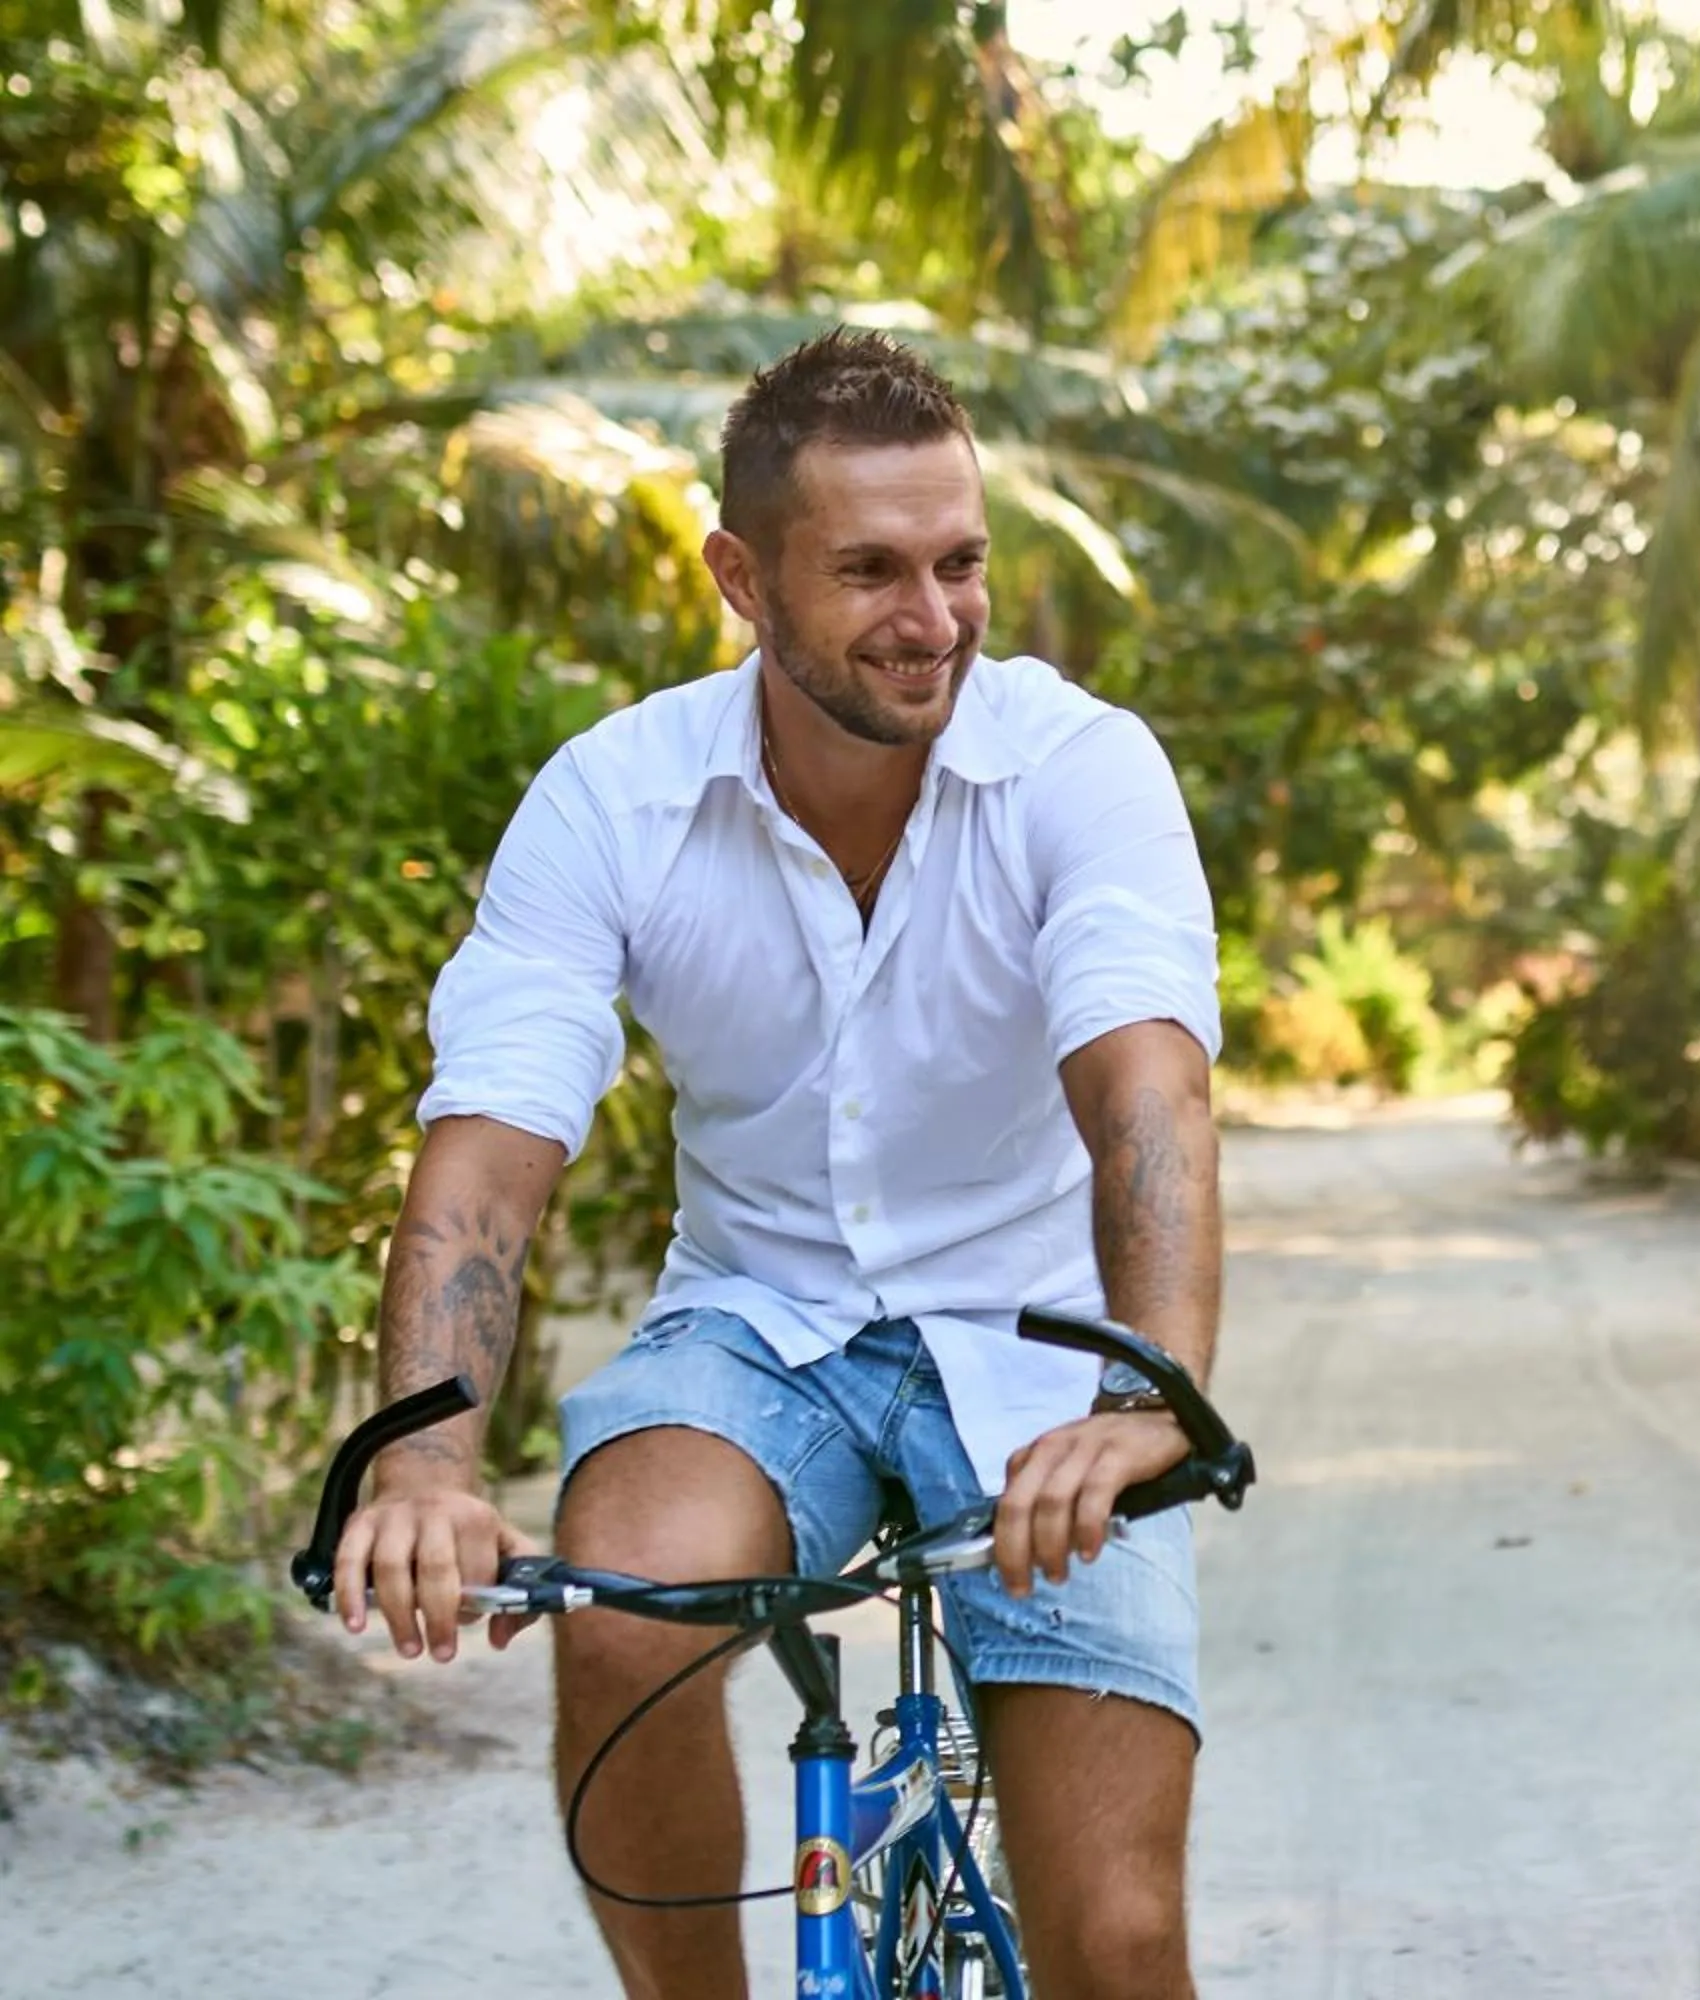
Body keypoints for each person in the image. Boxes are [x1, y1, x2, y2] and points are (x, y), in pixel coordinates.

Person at [327, 328, 1225, 2000]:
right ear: (740, 574)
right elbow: (489, 1157)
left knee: (1115, 1941)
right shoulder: (616, 800)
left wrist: (1152, 1391)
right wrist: (426, 1466)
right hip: (761, 1325)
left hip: (1049, 1343)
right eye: (873, 570)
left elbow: (1147, 1103)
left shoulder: (1077, 768)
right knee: (618, 1623)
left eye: (961, 563)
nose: (935, 617)